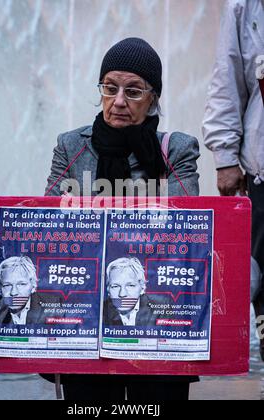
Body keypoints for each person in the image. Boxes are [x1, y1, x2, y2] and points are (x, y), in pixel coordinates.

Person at [45, 37, 200, 401]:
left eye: (133, 91)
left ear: (153, 97)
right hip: (84, 320)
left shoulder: (177, 149)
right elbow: (49, 218)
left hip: (160, 317)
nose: (118, 101)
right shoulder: (71, 146)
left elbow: (185, 222)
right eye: (109, 88)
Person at [202, 0, 264, 360]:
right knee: (262, 278)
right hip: (262, 170)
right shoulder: (245, 4)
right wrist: (225, 157)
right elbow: (228, 74)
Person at [0, 256, 63, 325]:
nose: (13, 292)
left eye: (21, 284)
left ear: (33, 286)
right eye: (7, 285)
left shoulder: (52, 305)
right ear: (0, 288)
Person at [103, 257, 157, 326]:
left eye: (130, 285)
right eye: (115, 286)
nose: (122, 294)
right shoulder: (99, 312)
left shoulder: (160, 308)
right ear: (108, 290)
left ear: (142, 288)